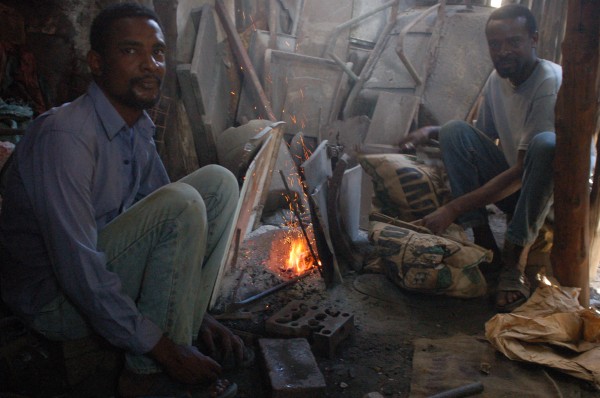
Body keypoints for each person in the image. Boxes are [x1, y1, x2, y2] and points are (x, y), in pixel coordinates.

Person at [0, 3, 246, 397]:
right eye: (131, 51)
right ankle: (148, 374)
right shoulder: (66, 137)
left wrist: (197, 317)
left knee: (219, 184)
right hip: (56, 302)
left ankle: (185, 330)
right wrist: (163, 350)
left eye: (158, 52)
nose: (151, 65)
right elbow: (78, 269)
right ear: (96, 63)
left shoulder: (136, 129)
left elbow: (166, 220)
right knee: (182, 203)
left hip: (100, 272)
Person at [398, 4, 561, 312]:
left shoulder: (548, 84)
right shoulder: (498, 79)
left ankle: (514, 263)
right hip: (520, 186)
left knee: (546, 145)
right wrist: (430, 131)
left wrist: (452, 208)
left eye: (514, 42)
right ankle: (484, 243)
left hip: (551, 198)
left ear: (534, 39)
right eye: (495, 44)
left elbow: (521, 172)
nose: (503, 52)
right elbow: (476, 139)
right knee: (453, 130)